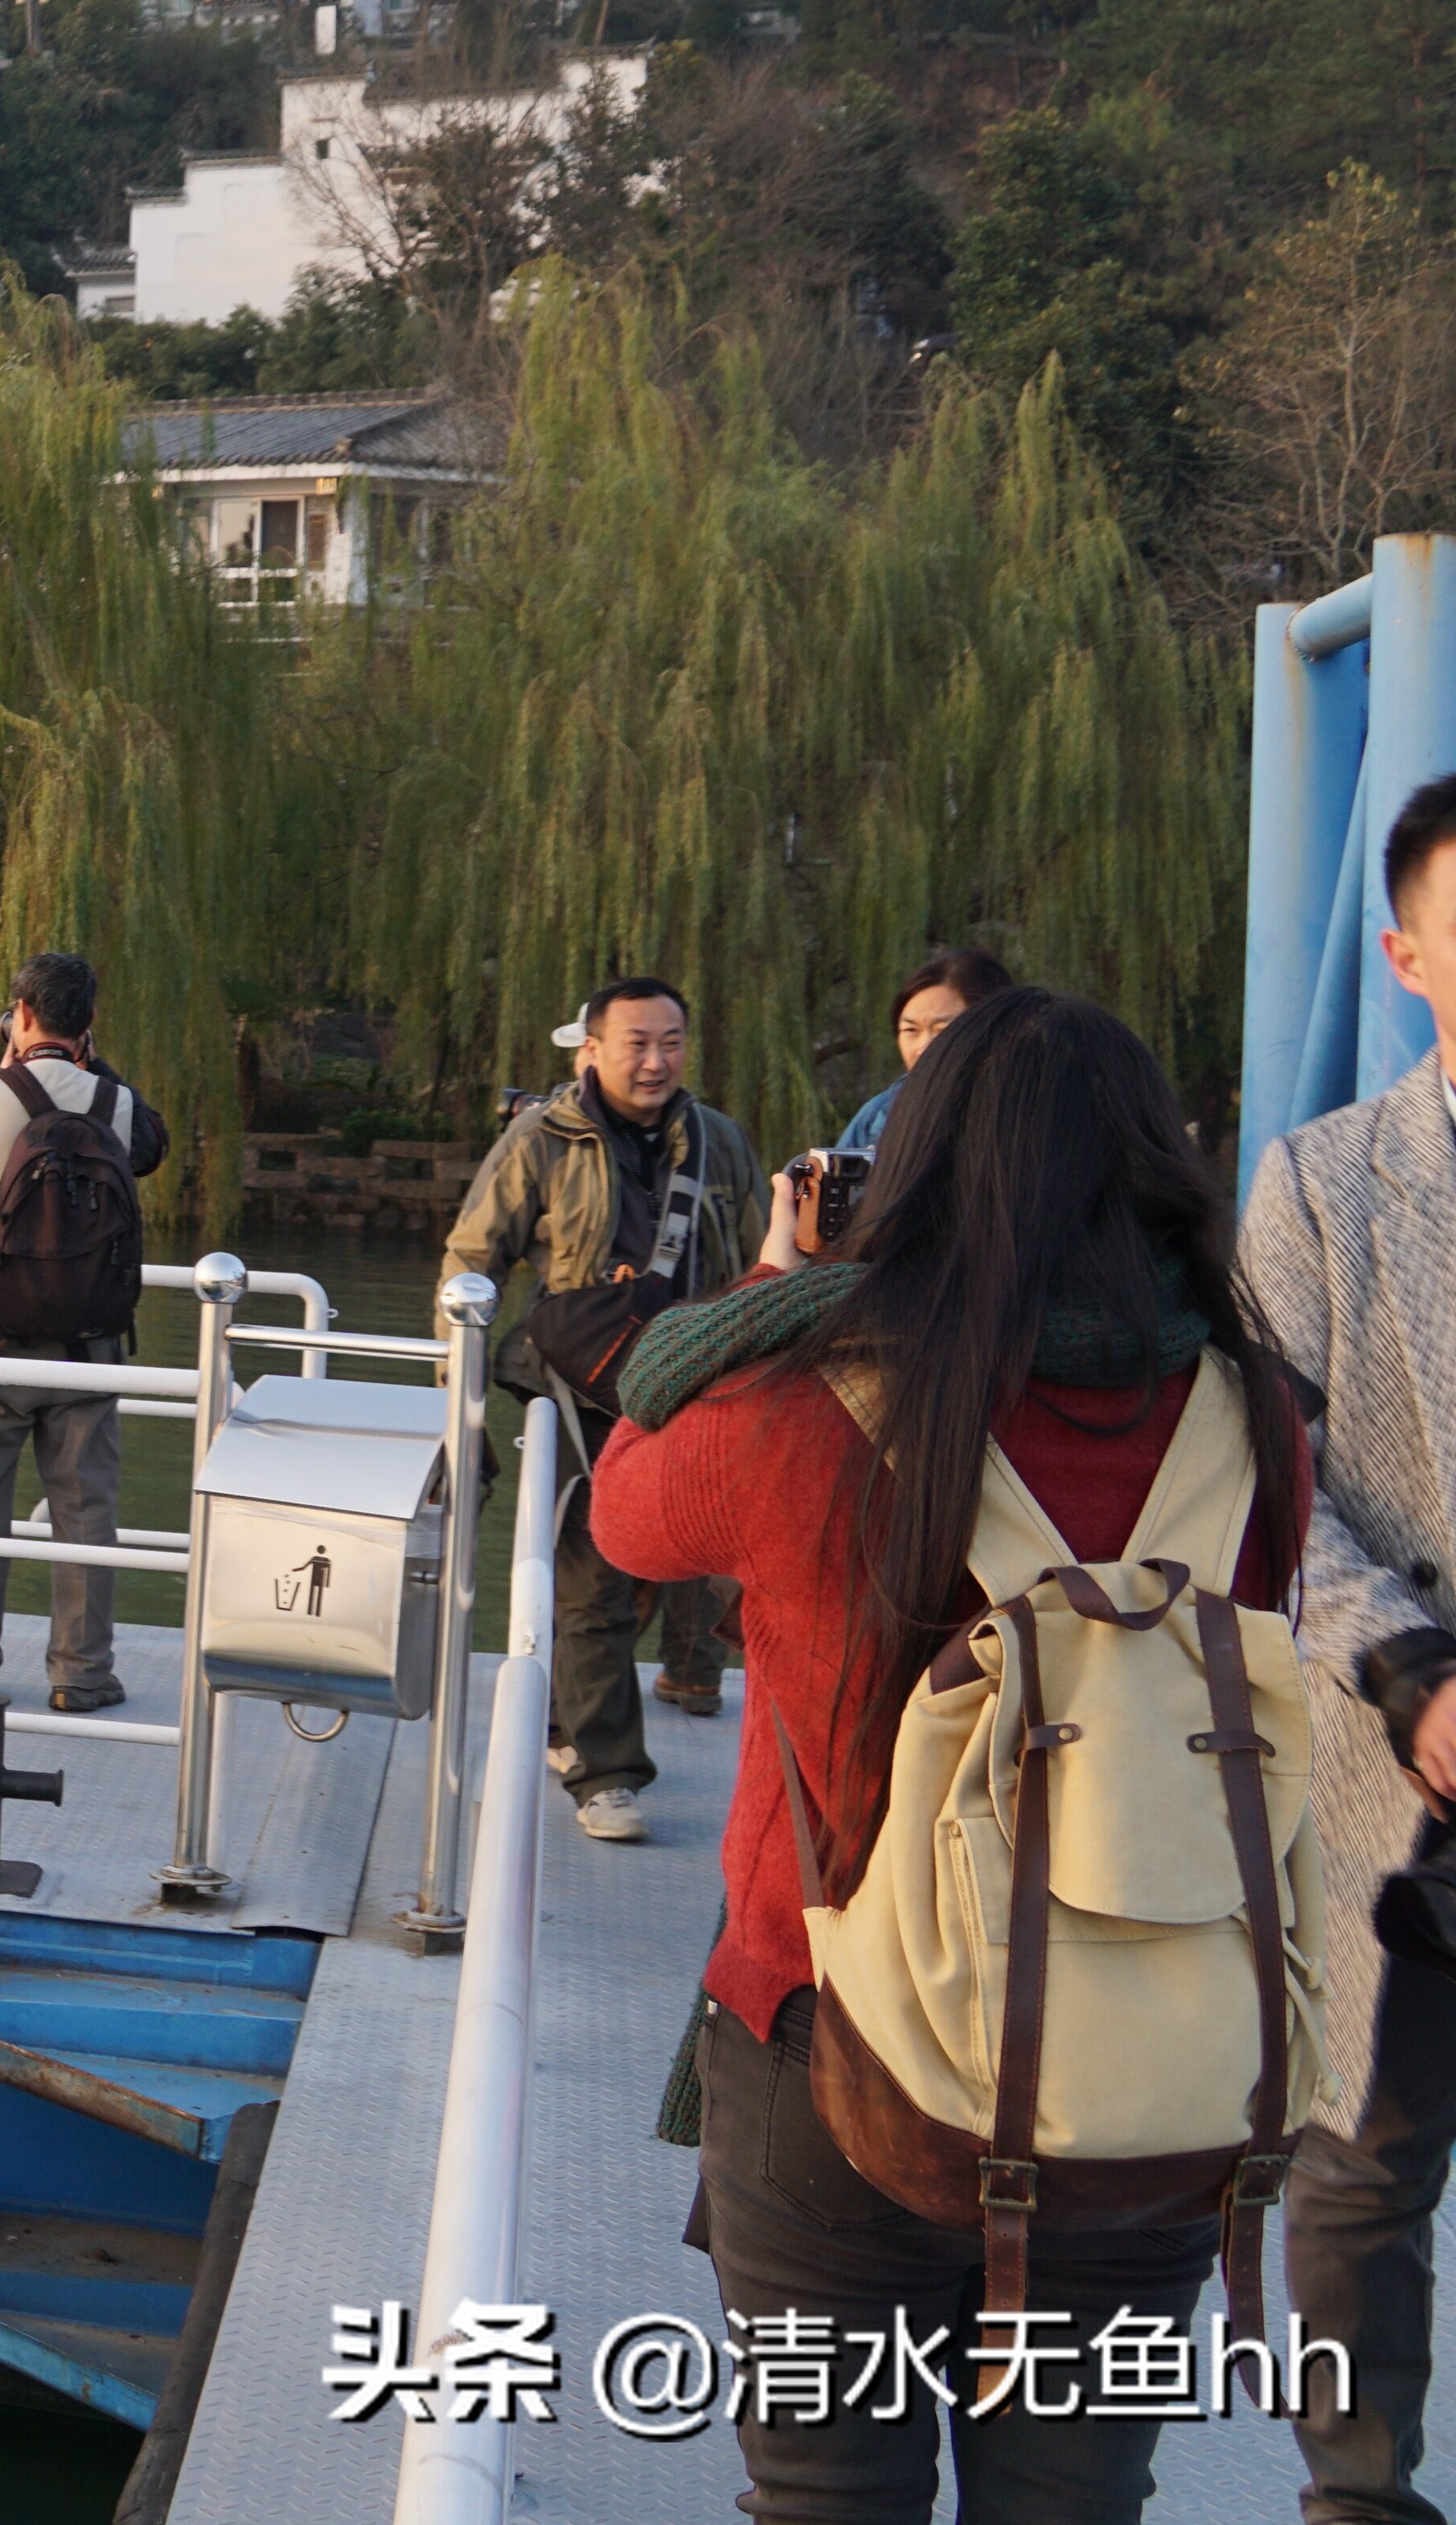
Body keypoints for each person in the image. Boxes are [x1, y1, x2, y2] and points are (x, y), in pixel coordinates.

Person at [595, 986, 1305, 2523]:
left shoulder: (816, 1401)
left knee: (827, 2500)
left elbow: (626, 1503)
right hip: (1154, 2071)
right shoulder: (1255, 1421)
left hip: (832, 2048)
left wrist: (799, 1276)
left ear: (916, 1170)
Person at [1246, 771, 1456, 2525]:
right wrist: (1410, 1673)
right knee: (1366, 2163)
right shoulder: (1321, 1186)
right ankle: (1359, 2494)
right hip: (1406, 1755)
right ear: (1406, 954)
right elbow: (1271, 1492)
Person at [439, 977, 765, 1841]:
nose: (656, 1060)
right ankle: (607, 1774)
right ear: (591, 1049)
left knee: (669, 1566)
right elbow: (472, 1260)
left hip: (691, 1385)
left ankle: (566, 1721)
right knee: (591, 1580)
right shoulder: (540, 1139)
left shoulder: (718, 1142)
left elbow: (759, 1264)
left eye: (672, 1041)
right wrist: (459, 1399)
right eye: (636, 1042)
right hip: (576, 1389)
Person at [0, 950, 167, 1712]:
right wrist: (97, 1069)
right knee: (86, 1507)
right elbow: (151, 1150)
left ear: (21, 1014)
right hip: (90, 1337)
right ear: (88, 1023)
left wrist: (7, 1068)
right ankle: (82, 1675)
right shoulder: (117, 1103)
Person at [833, 946, 1014, 1158]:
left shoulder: (1027, 1107)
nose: (923, 1048)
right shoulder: (879, 1115)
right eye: (911, 1030)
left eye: (942, 1030)